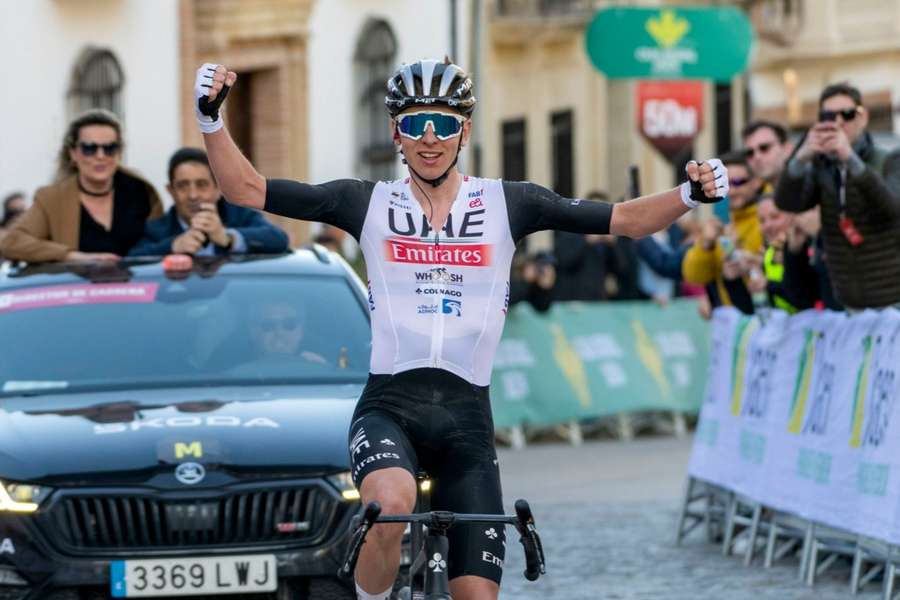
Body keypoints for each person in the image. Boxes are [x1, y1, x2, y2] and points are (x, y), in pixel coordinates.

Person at [192, 58, 728, 600]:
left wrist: (689, 196)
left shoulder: (510, 202)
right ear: (396, 131)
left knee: (476, 594)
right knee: (392, 506)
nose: (430, 138)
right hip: (389, 407)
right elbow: (246, 189)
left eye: (444, 124)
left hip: (467, 421)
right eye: (416, 123)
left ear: (465, 130)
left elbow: (623, 220)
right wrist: (212, 120)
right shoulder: (366, 201)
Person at [775, 82, 900, 310]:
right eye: (829, 115)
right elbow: (788, 202)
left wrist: (849, 158)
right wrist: (800, 158)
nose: (839, 121)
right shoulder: (822, 166)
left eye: (848, 114)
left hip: (893, 300)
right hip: (848, 301)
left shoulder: (889, 159)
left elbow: (891, 208)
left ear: (863, 118)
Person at [0, 110, 163, 263]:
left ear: (119, 152)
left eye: (110, 148)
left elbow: (160, 241)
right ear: (73, 153)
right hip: (76, 291)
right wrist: (72, 256)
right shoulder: (53, 199)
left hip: (139, 290)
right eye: (89, 149)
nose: (100, 156)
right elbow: (11, 243)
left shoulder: (142, 192)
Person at [129, 147, 289, 256]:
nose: (193, 195)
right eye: (183, 186)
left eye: (202, 185)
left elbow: (279, 239)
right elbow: (131, 260)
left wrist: (228, 238)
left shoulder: (239, 216)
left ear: (218, 189)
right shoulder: (155, 230)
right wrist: (172, 247)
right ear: (171, 191)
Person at [682, 151, 764, 315]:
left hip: (768, 317)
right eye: (727, 184)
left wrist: (752, 262)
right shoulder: (724, 224)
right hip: (735, 323)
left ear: (756, 182)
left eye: (739, 182)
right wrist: (706, 243)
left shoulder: (767, 218)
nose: (732, 191)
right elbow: (693, 276)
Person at [742, 119, 792, 189]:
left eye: (764, 148)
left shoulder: (809, 188)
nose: (757, 157)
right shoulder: (755, 195)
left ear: (787, 149)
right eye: (750, 153)